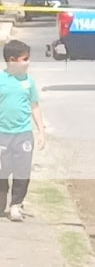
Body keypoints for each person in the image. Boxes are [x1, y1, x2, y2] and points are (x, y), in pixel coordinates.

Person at [0, 40, 45, 222]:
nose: (28, 63)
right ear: (12, 60)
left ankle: (16, 205)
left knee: (22, 171)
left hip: (24, 134)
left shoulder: (29, 82)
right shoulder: (1, 81)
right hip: (3, 134)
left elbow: (35, 106)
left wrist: (41, 131)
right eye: (24, 59)